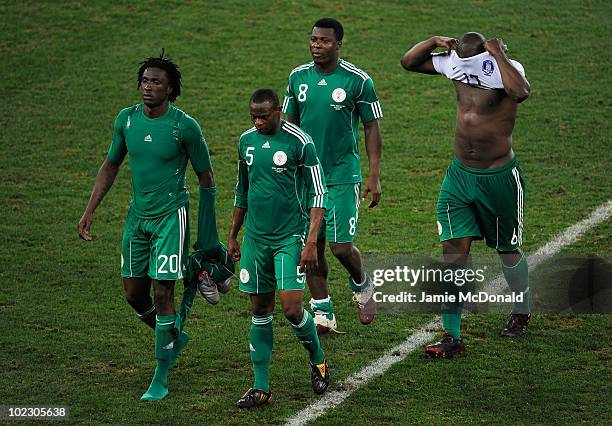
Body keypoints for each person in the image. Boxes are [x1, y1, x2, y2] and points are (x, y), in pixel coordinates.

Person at [78, 52, 223, 399]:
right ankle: (175, 326)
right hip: (137, 218)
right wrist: (90, 209)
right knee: (133, 293)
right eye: (144, 80)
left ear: (170, 89)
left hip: (171, 216)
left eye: (156, 82)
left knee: (162, 292)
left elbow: (206, 177)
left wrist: (207, 235)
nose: (148, 87)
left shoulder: (184, 127)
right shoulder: (127, 120)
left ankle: (160, 375)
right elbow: (110, 165)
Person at [401, 32, 531, 357]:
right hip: (460, 175)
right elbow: (409, 62)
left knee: (507, 248)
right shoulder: (453, 64)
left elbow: (521, 92)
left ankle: (522, 309)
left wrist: (498, 54)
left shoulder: (505, 70)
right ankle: (452, 337)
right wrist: (432, 40)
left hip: (498, 177)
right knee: (453, 253)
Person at [229, 89, 330, 408]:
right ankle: (261, 387)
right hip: (256, 240)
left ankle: (318, 360)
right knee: (260, 310)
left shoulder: (300, 142)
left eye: (263, 116)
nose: (257, 122)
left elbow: (319, 194)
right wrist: (233, 234)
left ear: (279, 111)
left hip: (290, 237)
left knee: (290, 309)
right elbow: (241, 190)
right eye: (253, 117)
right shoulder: (246, 142)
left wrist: (311, 241)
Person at [282, 18, 383, 333]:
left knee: (340, 246)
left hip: (342, 175)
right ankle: (323, 309)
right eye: (313, 40)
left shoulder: (358, 81)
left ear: (338, 44)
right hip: (306, 179)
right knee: (310, 247)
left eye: (324, 41)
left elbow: (371, 126)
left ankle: (362, 284)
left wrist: (374, 174)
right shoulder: (297, 78)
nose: (316, 46)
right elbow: (288, 125)